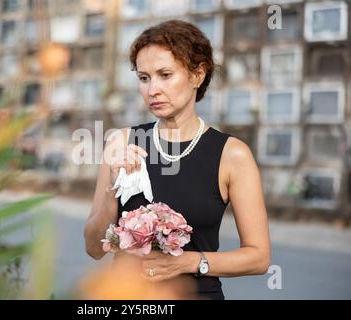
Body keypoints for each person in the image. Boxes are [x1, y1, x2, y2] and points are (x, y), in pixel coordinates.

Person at [84, 19, 270, 300]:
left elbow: (258, 257)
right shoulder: (121, 143)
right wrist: (114, 187)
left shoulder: (232, 155)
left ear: (197, 75)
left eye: (165, 74)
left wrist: (189, 262)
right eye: (144, 78)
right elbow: (94, 248)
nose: (152, 89)